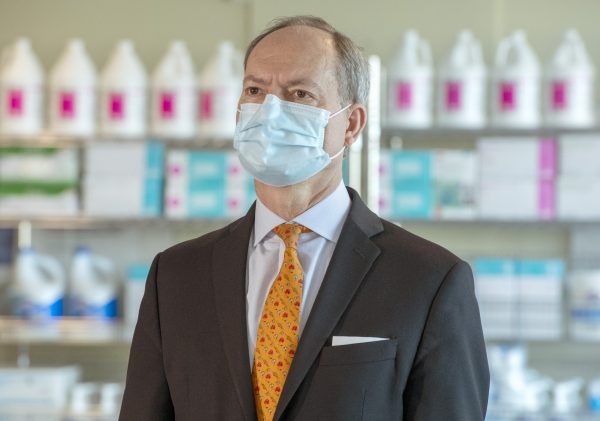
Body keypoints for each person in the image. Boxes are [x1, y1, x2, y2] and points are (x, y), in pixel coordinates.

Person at [119, 15, 489, 421]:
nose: (270, 111)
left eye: (300, 94)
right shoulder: (175, 276)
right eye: (255, 90)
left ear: (351, 124)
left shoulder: (429, 280)